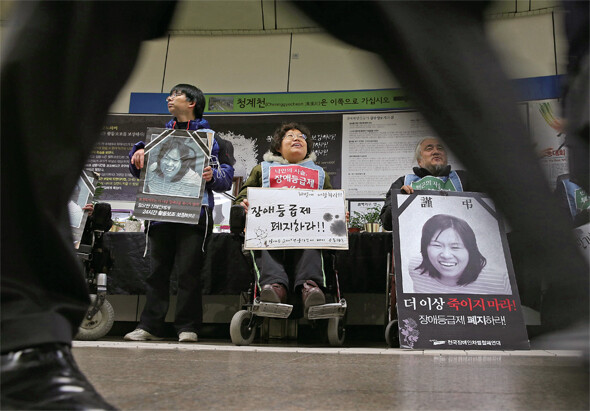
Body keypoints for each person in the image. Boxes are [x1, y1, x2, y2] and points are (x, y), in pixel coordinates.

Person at [124, 83, 235, 342]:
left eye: (176, 95)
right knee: (157, 272)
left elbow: (226, 177)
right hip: (160, 212)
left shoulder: (213, 139)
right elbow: (139, 173)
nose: (169, 99)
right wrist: (138, 155)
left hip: (195, 212)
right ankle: (149, 327)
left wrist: (212, 175)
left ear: (192, 102)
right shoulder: (156, 138)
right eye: (170, 95)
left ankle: (188, 327)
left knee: (189, 272)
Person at [234, 122, 329, 315]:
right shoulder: (262, 170)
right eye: (290, 136)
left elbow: (330, 202)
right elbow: (242, 196)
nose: (297, 138)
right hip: (270, 229)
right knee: (262, 239)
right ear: (278, 147)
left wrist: (338, 214)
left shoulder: (320, 174)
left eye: (301, 136)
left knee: (313, 240)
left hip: (307, 231)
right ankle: (275, 287)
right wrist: (243, 203)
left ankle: (310, 288)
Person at [379, 137, 479, 231]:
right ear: (420, 161)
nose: (436, 151)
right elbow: (387, 224)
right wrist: (399, 200)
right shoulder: (404, 182)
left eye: (440, 148)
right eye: (429, 148)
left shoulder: (464, 179)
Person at [408, 214, 512, 294]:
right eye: (437, 245)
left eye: (455, 247)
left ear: (471, 250)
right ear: (425, 247)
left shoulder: (498, 279)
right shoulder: (416, 267)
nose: (446, 255)